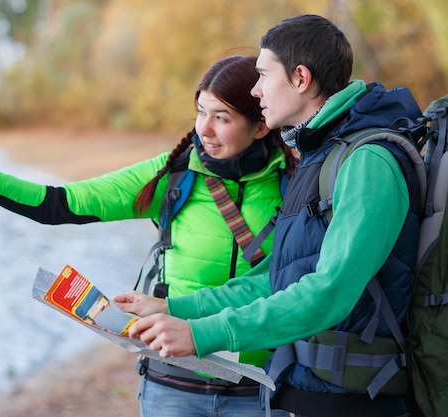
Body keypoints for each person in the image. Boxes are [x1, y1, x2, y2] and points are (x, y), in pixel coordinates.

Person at [0, 55, 295, 417]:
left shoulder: (296, 182)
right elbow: (58, 202)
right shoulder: (172, 174)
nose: (203, 129)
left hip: (260, 389)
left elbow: (301, 285)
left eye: (222, 117)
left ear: (261, 125)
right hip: (172, 387)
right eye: (200, 112)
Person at [114, 14, 423, 417]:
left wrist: (203, 334)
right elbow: (278, 276)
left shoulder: (368, 163)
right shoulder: (318, 155)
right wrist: (174, 310)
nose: (256, 90)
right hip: (310, 391)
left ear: (300, 78)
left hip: (356, 401)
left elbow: (329, 292)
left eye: (263, 75)